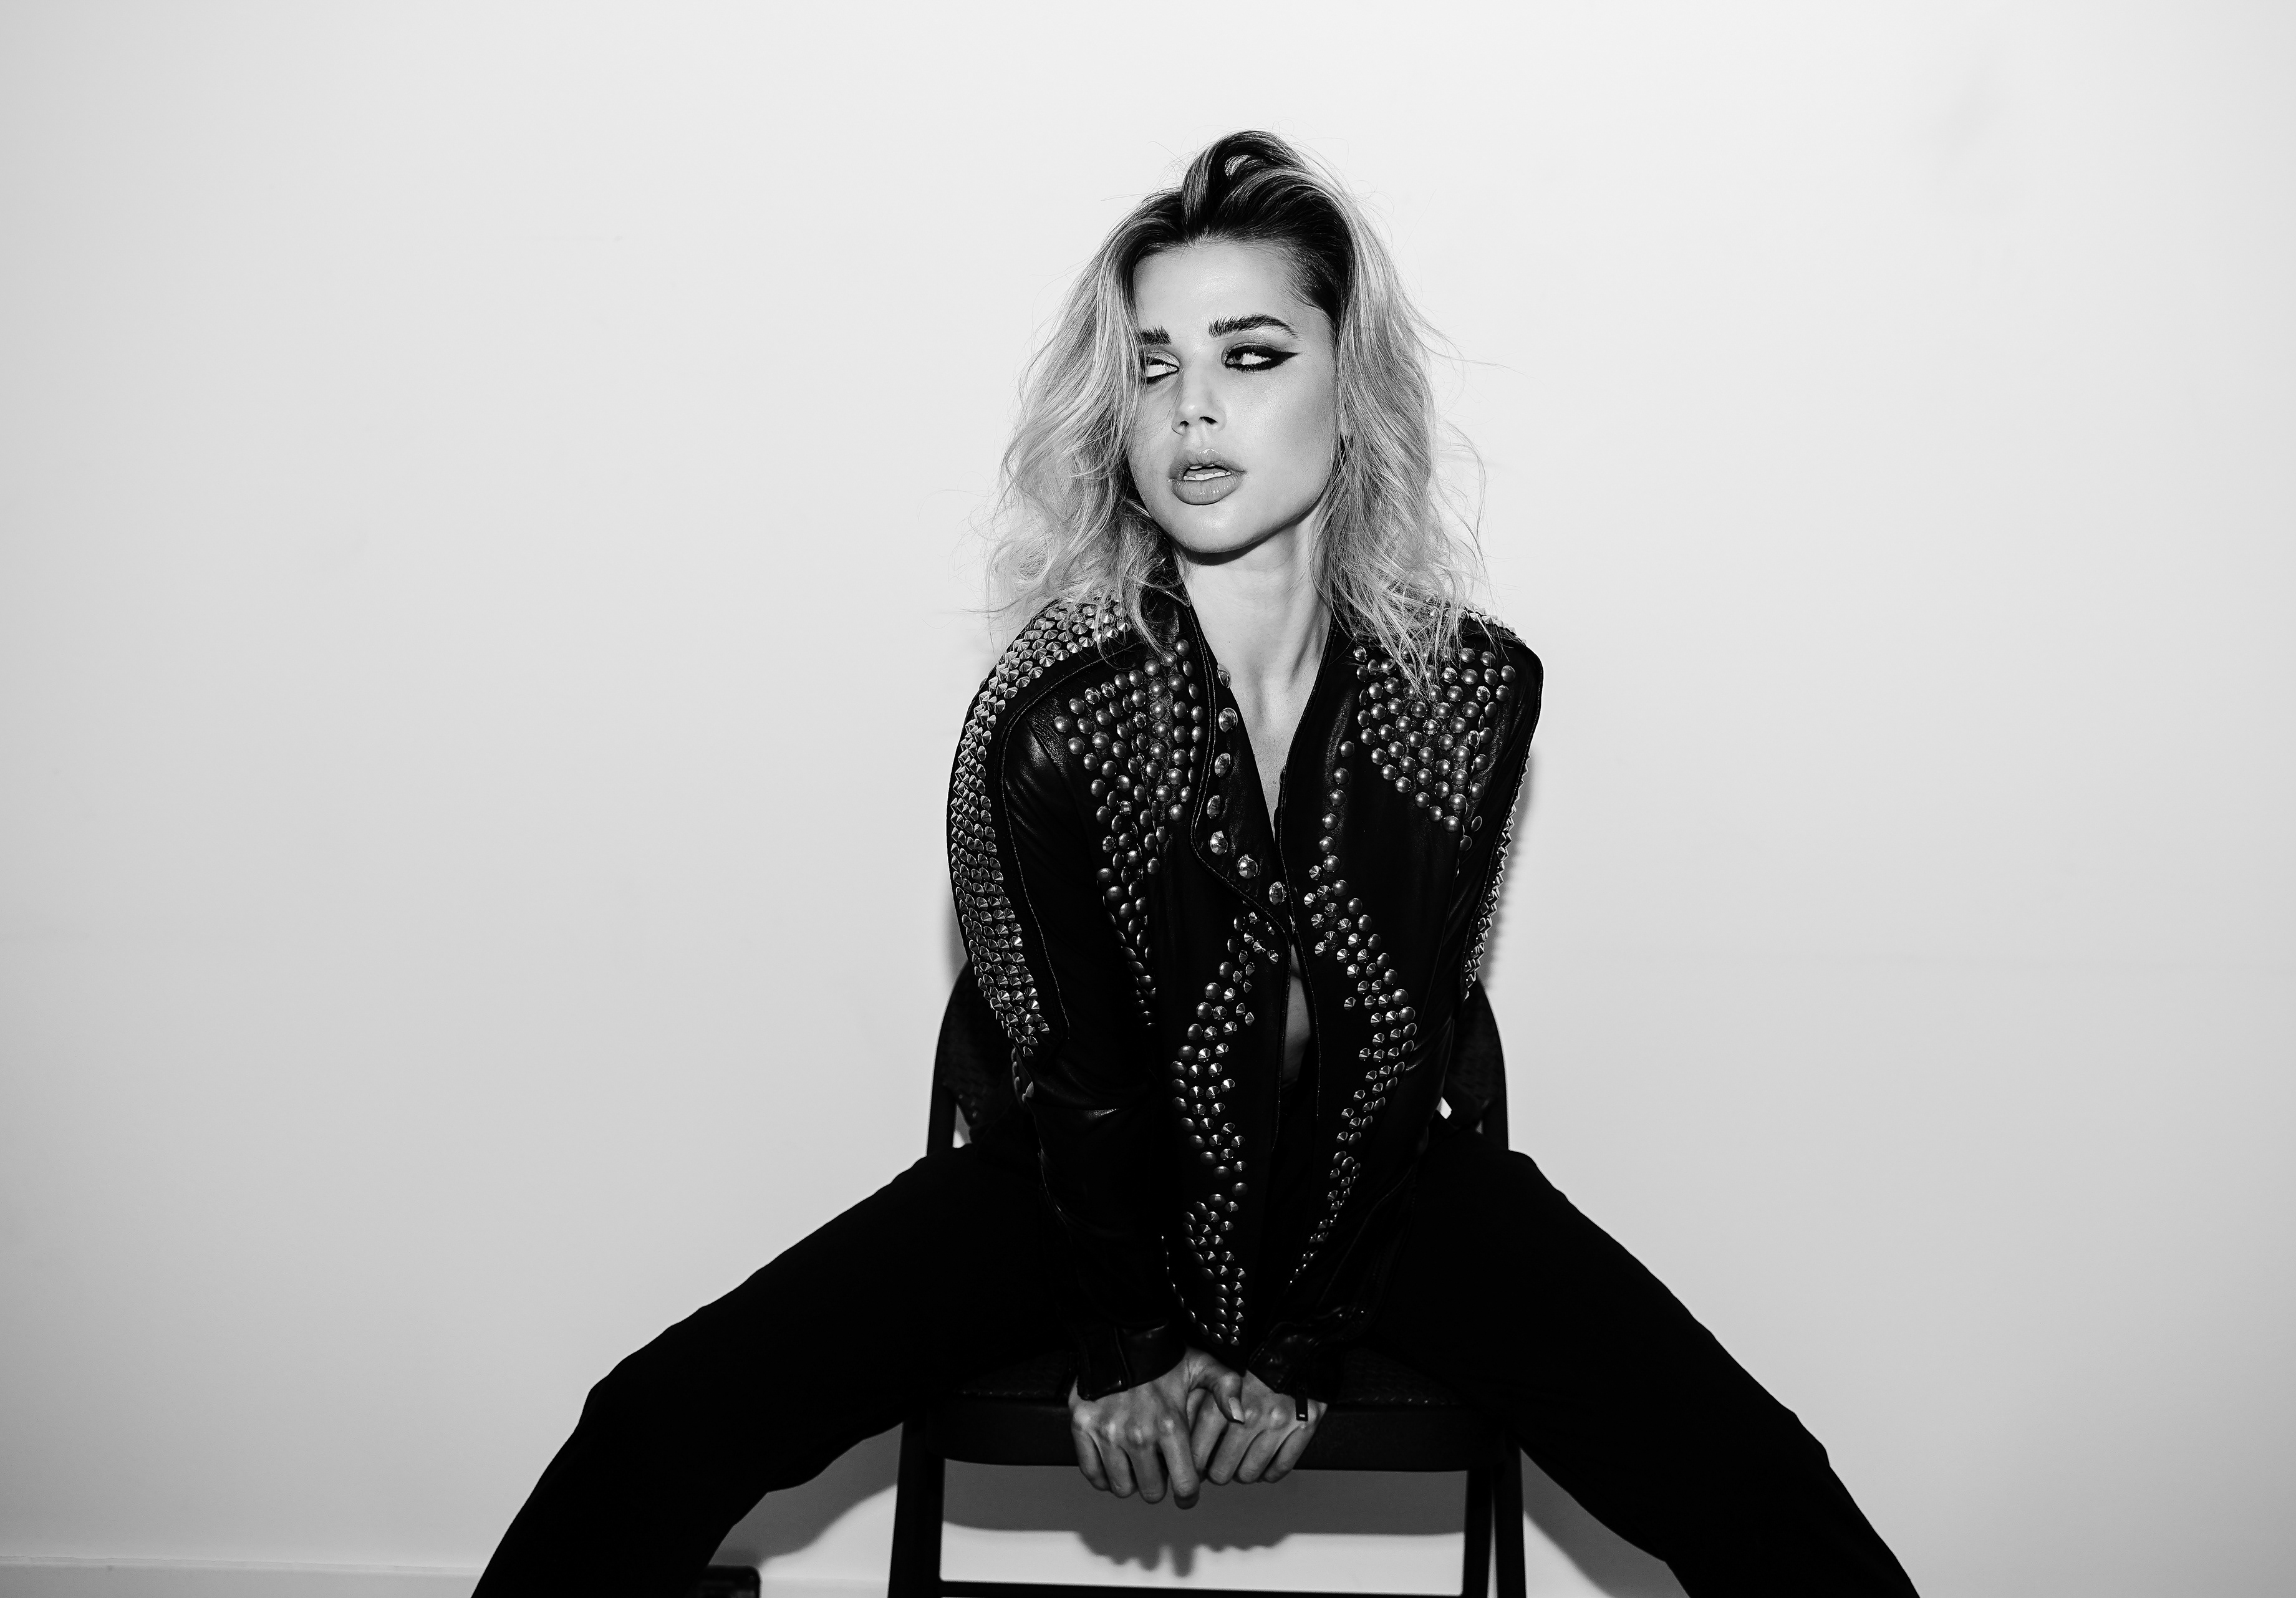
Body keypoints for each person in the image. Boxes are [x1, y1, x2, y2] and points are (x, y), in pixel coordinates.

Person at [473, 131, 1919, 1598]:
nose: (1194, 408)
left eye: (1252, 355)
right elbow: (1081, 1084)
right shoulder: (1051, 715)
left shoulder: (1472, 695)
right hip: (1082, 1193)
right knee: (653, 1428)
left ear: (1351, 390)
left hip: (1373, 1192)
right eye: (1154, 367)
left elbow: (1400, 1044)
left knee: (1755, 1478)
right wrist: (1131, 1349)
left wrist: (1299, 1345)